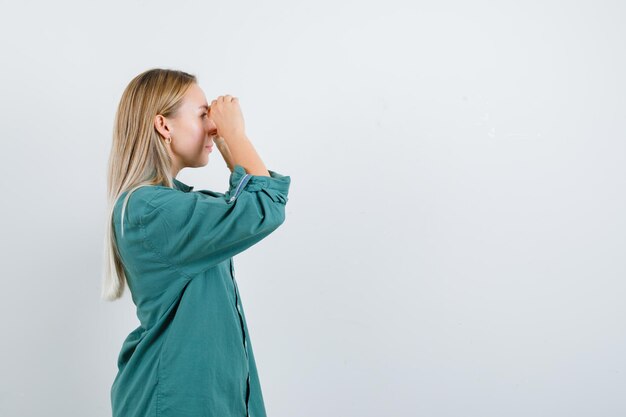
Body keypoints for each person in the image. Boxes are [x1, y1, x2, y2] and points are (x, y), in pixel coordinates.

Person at [101, 68, 291, 417]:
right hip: (175, 400)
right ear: (164, 125)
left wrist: (223, 142)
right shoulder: (152, 209)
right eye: (203, 115)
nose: (211, 124)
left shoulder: (169, 204)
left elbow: (246, 210)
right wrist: (235, 135)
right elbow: (264, 207)